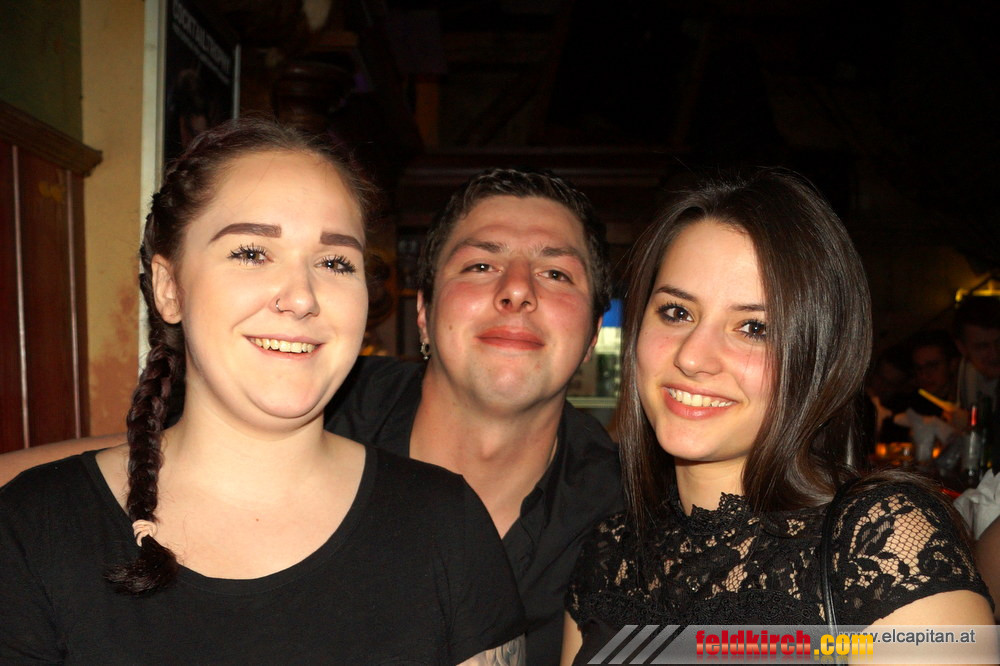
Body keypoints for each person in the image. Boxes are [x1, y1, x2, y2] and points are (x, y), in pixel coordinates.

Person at [0, 167, 623, 665]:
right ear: (423, 313)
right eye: (480, 265)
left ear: (596, 331)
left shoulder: (628, 507)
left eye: (555, 272)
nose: (517, 291)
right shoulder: (318, 392)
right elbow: (142, 462)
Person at [561, 169, 993, 664]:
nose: (693, 356)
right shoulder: (607, 553)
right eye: (677, 312)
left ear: (819, 357)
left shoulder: (881, 541)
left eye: (753, 327)